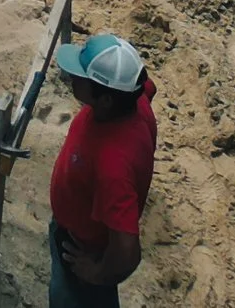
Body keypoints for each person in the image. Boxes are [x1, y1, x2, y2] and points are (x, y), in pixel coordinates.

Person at [48, 30, 157, 306]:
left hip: (82, 248)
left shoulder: (113, 167)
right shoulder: (135, 98)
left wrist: (96, 273)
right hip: (77, 228)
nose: (74, 77)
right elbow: (148, 86)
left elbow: (127, 251)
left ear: (106, 100)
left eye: (82, 76)